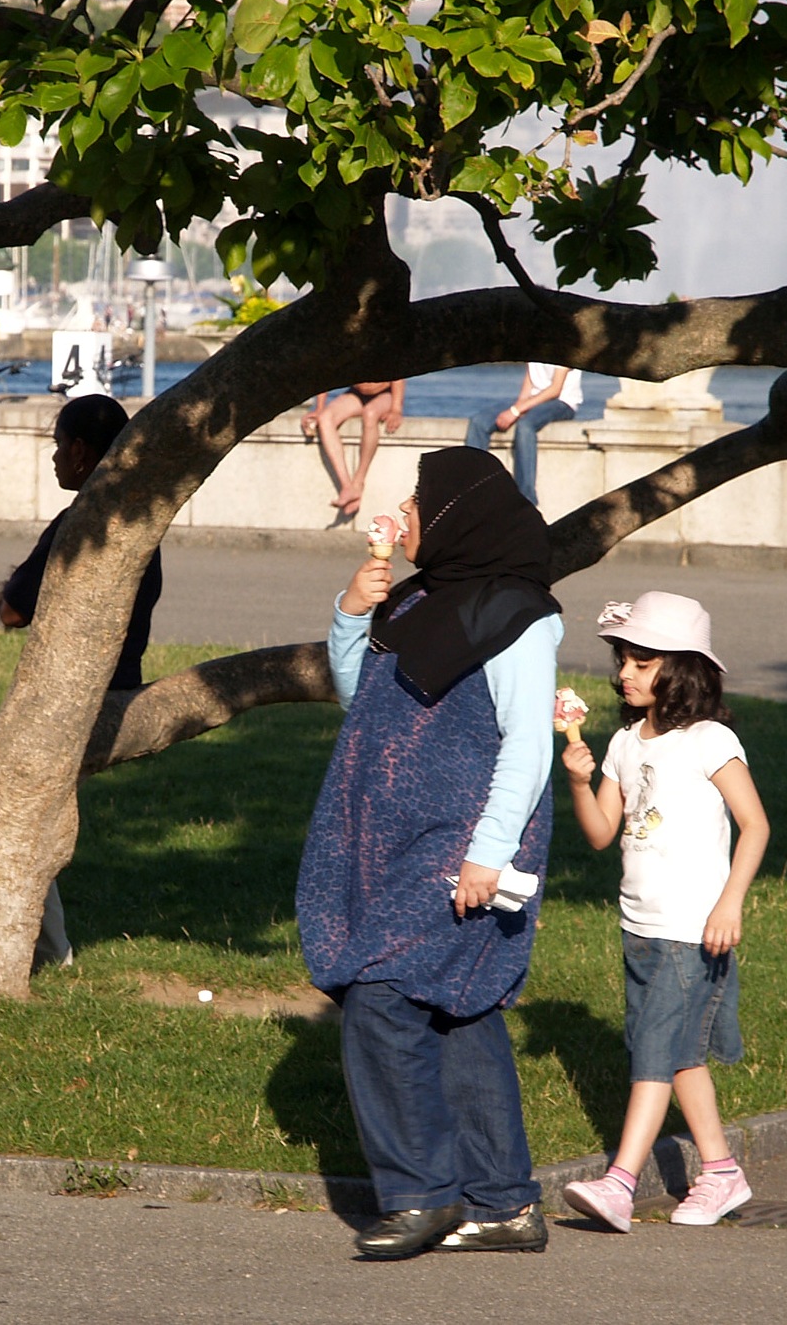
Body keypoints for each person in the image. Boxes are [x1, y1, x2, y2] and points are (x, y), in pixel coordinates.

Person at [298, 445, 562, 1260]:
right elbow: (363, 701)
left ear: (454, 517)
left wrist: (487, 853)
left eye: (415, 506)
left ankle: (420, 1194)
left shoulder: (516, 614)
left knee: (380, 994)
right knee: (458, 1008)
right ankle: (505, 1205)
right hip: (387, 835)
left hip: (463, 837)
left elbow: (526, 745)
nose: (401, 518)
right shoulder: (419, 601)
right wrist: (350, 612)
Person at [559, 591, 770, 1232]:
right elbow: (600, 832)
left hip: (691, 927)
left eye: (642, 661)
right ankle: (722, 1173)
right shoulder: (624, 743)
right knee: (681, 1057)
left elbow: (755, 826)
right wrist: (575, 774)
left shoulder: (711, 740)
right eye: (623, 659)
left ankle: (621, 1183)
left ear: (681, 669)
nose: (625, 672)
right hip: (640, 925)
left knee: (653, 1052)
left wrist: (729, 903)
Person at [0, 394, 163, 965]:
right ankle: (48, 948)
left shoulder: (80, 524)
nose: (55, 459)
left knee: (14, 815)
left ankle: (49, 951)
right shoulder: (144, 520)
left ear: (83, 452)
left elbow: (13, 610)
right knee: (30, 815)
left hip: (75, 705)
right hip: (123, 688)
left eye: (58, 446)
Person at [463, 363, 583, 505]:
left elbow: (555, 390)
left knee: (525, 426)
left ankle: (526, 497)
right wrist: (517, 408)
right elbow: (528, 385)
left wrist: (516, 411)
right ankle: (473, 489)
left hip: (562, 403)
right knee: (479, 422)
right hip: (533, 401)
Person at [300, 380, 406, 515]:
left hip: (385, 394)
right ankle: (347, 487)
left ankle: (358, 482)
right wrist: (319, 408)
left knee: (370, 413)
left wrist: (396, 409)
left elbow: (398, 376)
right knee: (326, 418)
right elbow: (325, 373)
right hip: (356, 394)